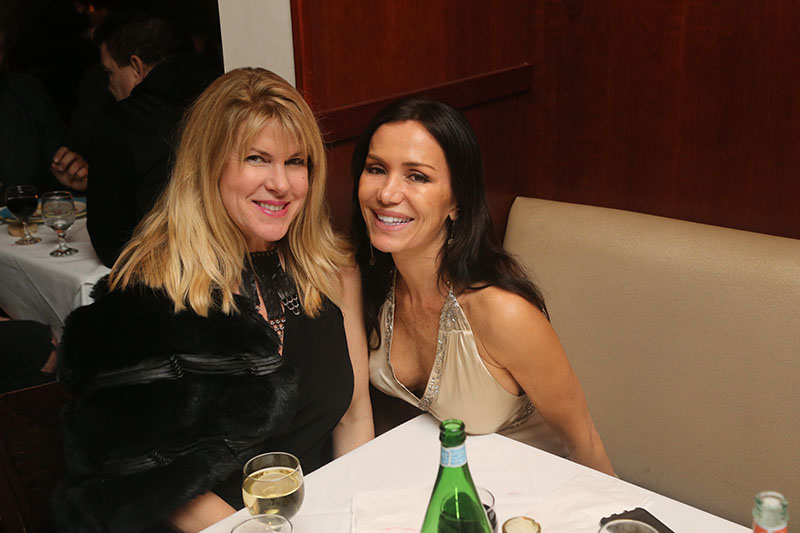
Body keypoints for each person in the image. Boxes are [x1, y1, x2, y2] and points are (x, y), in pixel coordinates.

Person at [53, 68, 373, 532]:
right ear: (208, 167)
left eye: (296, 161)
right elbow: (152, 482)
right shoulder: (149, 290)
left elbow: (353, 418)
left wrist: (361, 513)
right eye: (257, 158)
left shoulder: (331, 269)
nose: (281, 184)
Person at [351, 98, 615, 476]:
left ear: (457, 201)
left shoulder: (502, 312)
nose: (387, 193)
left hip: (535, 488)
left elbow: (584, 440)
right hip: (447, 484)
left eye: (417, 176)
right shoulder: (369, 282)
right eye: (376, 169)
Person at [84, 6, 220, 267]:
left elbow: (112, 247)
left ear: (136, 66)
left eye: (110, 72)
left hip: (161, 274)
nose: (109, 86)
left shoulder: (120, 123)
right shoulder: (228, 98)